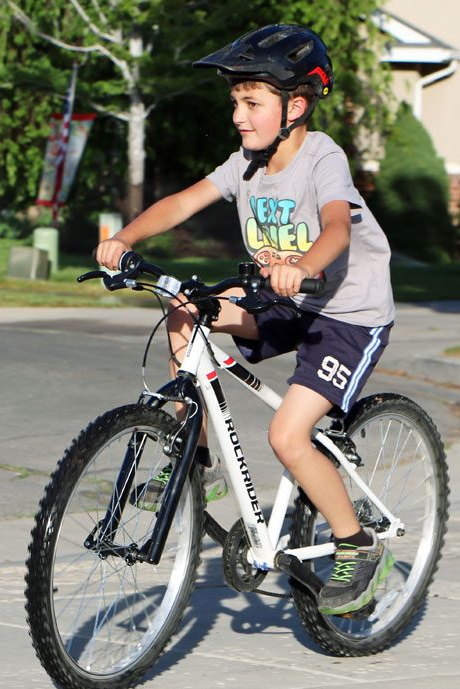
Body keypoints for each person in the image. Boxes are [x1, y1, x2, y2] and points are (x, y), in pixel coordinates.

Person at [96, 25, 396, 616]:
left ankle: (356, 545)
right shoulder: (246, 164)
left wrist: (304, 266)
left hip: (345, 315)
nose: (238, 114)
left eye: (252, 102)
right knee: (187, 307)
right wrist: (125, 237)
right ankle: (194, 454)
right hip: (283, 300)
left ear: (296, 105)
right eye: (235, 101)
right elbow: (184, 201)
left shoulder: (321, 157)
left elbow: (337, 223)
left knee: (287, 435)